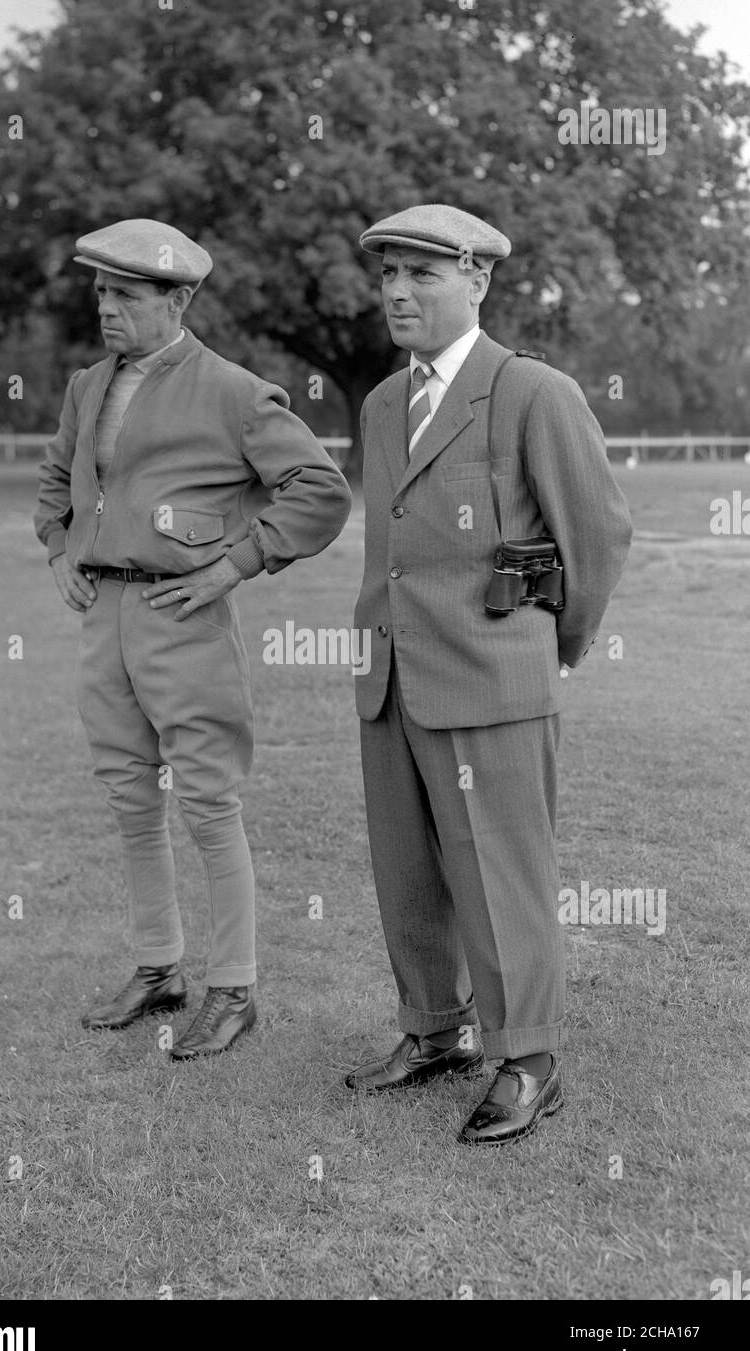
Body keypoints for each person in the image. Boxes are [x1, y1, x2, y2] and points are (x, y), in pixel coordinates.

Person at [345, 204, 632, 1143]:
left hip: (493, 681)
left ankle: (531, 1059)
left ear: (479, 280)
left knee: (502, 874)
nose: (397, 290)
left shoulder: (530, 392)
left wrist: (550, 650)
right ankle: (435, 1032)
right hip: (393, 677)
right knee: (408, 871)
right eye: (388, 272)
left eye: (422, 273)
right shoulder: (385, 403)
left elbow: (595, 533)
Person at [35, 218, 351, 1059]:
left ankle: (235, 989)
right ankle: (157, 968)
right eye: (100, 292)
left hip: (186, 620)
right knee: (131, 801)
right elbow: (57, 478)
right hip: (105, 618)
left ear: (177, 301)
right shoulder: (85, 386)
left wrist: (235, 565)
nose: (106, 308)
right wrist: (59, 546)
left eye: (126, 295)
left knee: (210, 804)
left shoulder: (235, 392)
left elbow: (319, 489)